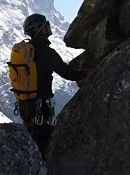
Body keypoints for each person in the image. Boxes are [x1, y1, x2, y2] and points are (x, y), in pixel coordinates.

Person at [18, 13, 87, 161]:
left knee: (34, 138)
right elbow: (66, 73)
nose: (49, 28)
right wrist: (86, 74)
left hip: (26, 105)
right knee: (44, 140)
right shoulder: (47, 53)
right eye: (46, 26)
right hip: (42, 105)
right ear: (39, 29)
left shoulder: (27, 52)